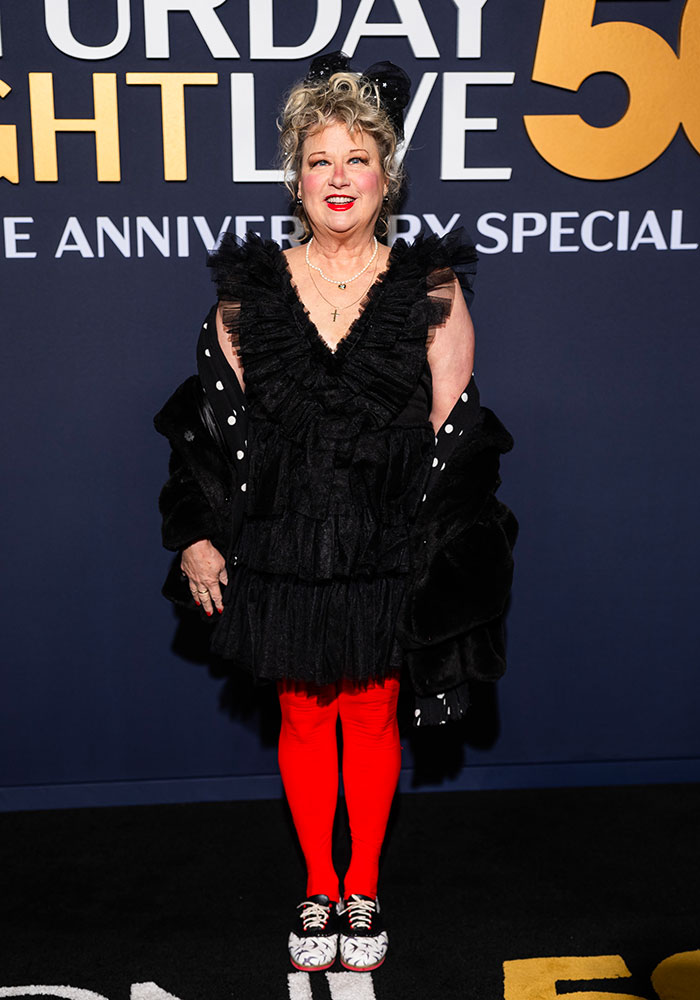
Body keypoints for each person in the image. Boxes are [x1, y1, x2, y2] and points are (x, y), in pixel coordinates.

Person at [154, 51, 517, 974]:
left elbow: (456, 433)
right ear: (296, 177)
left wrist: (435, 563)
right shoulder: (248, 292)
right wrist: (195, 533)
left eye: (358, 159)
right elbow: (208, 431)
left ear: (387, 174)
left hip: (388, 540)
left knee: (372, 710)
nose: (340, 178)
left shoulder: (431, 289)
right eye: (321, 160)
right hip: (280, 540)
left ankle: (363, 886)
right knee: (306, 717)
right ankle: (318, 886)